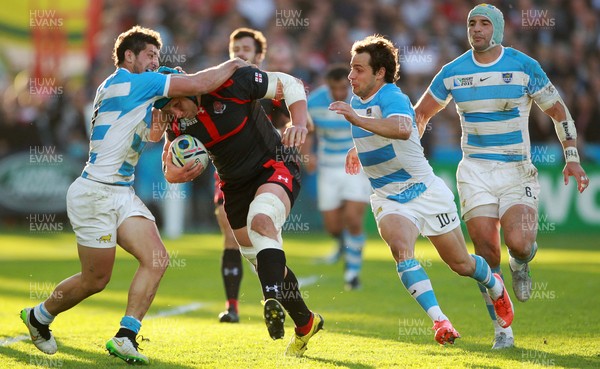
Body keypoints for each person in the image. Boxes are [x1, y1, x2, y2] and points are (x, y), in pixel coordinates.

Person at [20, 26, 246, 365]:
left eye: (158, 56)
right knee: (95, 280)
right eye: (150, 56)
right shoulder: (136, 82)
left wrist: (164, 114)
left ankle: (126, 335)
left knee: (157, 258)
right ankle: (39, 316)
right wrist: (236, 63)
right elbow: (201, 84)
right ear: (129, 56)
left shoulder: (127, 87)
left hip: (120, 191)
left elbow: (153, 134)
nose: (156, 61)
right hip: (95, 191)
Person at [413, 4, 589, 349]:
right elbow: (420, 115)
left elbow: (558, 110)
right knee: (486, 252)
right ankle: (502, 330)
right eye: (470, 23)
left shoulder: (524, 66)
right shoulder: (452, 72)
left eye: (483, 24)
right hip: (474, 170)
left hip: (516, 168)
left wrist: (572, 157)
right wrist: (407, 156)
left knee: (519, 243)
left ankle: (521, 262)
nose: (476, 29)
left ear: (497, 29)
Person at [329, 34, 514, 345]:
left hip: (425, 192)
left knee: (461, 264)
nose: (351, 75)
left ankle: (495, 286)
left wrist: (357, 121)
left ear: (380, 73)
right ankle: (440, 321)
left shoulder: (393, 97)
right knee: (401, 250)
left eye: (359, 69)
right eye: (351, 67)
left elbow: (402, 129)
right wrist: (355, 147)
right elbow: (377, 130)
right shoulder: (356, 103)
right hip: (389, 197)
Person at [151, 64, 323, 357]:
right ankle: (306, 323)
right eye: (170, 110)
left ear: (190, 86)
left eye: (178, 104)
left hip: (274, 165)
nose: (175, 113)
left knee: (262, 221)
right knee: (264, 260)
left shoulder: (234, 83)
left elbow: (292, 84)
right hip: (234, 187)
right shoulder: (176, 123)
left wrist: (299, 122)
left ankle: (269, 301)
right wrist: (173, 176)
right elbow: (169, 166)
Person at [306, 64, 371, 290]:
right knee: (333, 226)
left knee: (353, 219)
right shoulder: (314, 102)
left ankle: (352, 274)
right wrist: (307, 154)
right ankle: (344, 245)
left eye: (344, 87)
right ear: (327, 86)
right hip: (328, 168)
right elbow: (307, 129)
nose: (340, 93)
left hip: (356, 165)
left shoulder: (362, 99)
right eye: (335, 88)